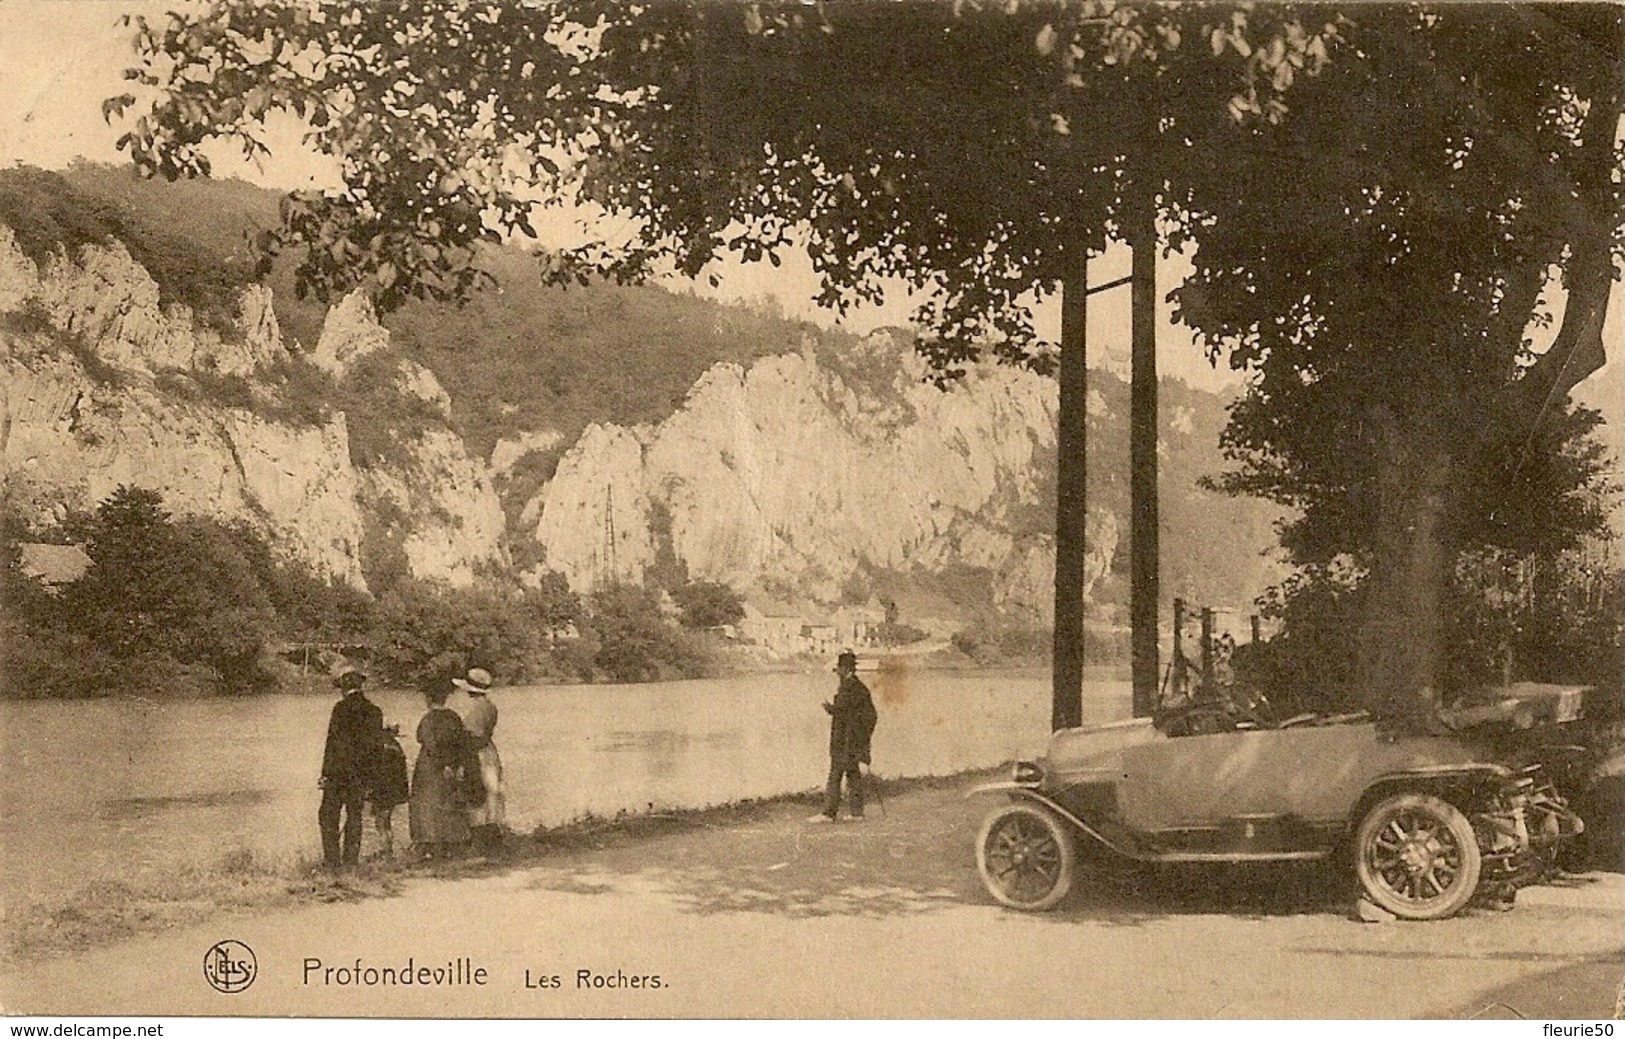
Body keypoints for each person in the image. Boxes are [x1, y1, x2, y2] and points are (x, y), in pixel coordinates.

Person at [318, 669, 384, 869]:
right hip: (361, 774)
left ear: (343, 689)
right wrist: (372, 777)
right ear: (361, 686)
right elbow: (376, 748)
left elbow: (333, 744)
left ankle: (332, 861)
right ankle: (351, 862)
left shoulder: (340, 709)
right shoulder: (374, 711)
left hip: (339, 773)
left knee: (328, 815)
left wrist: (325, 775)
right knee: (355, 816)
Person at [810, 650, 878, 823]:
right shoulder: (858, 687)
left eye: (838, 669)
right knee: (853, 774)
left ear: (846, 669)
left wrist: (830, 709)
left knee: (835, 773)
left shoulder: (850, 688)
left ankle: (829, 813)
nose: (837, 673)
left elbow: (843, 712)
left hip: (845, 740)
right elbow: (864, 714)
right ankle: (857, 813)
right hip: (852, 740)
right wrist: (862, 737)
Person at [408, 677, 472, 859]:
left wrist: (442, 764)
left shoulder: (428, 719)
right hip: (452, 764)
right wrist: (455, 765)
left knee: (426, 803)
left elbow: (429, 743)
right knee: (448, 802)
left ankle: (430, 845)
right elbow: (461, 743)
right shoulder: (454, 717)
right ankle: (452, 843)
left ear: (429, 699)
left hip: (430, 767)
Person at [455, 666, 507, 852]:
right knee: (491, 796)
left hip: (478, 754)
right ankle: (492, 840)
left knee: (478, 795)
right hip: (488, 751)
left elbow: (473, 738)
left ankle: (481, 843)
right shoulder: (489, 706)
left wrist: (462, 758)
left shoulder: (478, 709)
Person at [368, 723, 410, 858]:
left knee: (381, 822)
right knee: (386, 821)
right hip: (394, 791)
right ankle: (387, 850)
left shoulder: (383, 748)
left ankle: (385, 851)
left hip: (382, 791)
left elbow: (378, 772)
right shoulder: (396, 747)